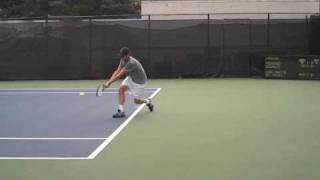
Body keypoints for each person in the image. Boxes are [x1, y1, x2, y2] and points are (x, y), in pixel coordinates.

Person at [104, 47, 154, 118]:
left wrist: (109, 83)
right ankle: (121, 111)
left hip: (139, 82)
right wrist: (109, 81)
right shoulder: (122, 59)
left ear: (128, 55)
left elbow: (119, 75)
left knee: (136, 101)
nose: (122, 57)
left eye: (123, 55)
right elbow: (117, 71)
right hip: (131, 78)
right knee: (121, 89)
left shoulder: (131, 63)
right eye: (121, 55)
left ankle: (147, 101)